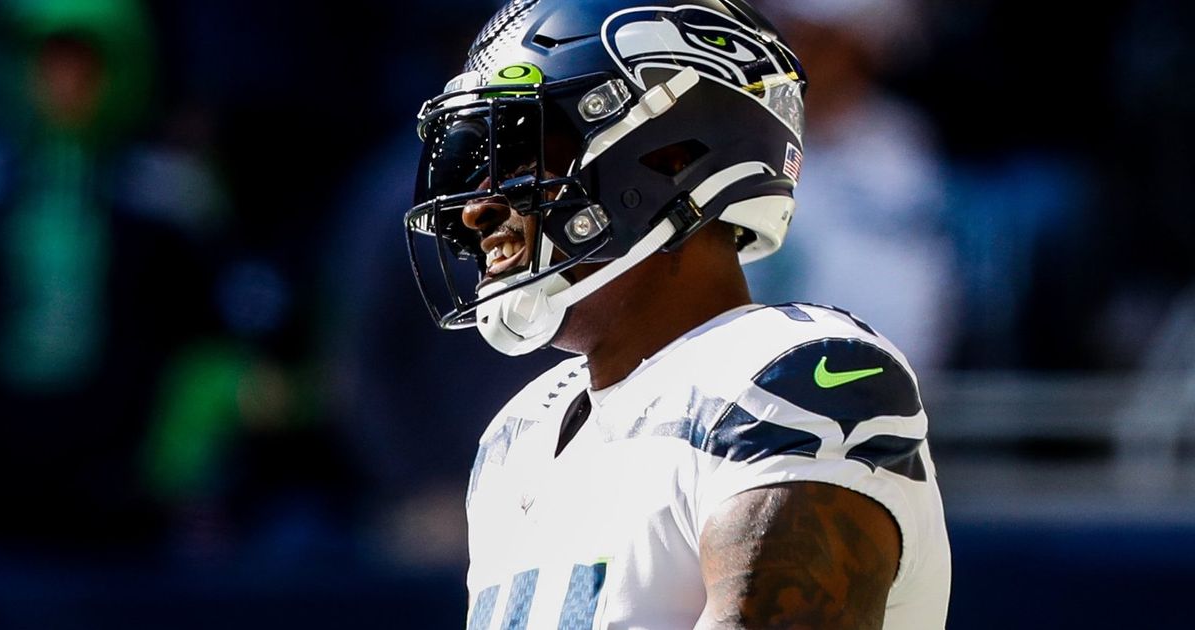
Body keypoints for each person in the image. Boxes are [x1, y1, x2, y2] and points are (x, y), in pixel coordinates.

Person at [403, 0, 951, 628]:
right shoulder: (518, 434)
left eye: (524, 153)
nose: (476, 208)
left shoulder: (797, 376)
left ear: (668, 154)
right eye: (477, 168)